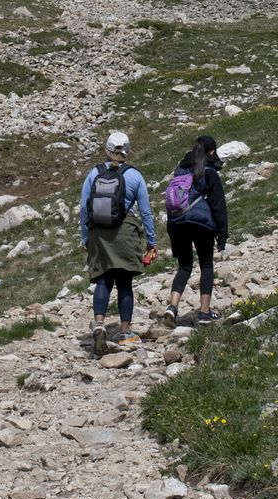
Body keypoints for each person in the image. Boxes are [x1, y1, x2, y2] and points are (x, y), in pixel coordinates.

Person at [79, 130, 156, 354]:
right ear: (127, 151)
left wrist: (85, 237)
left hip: (98, 234)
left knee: (102, 279)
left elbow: (84, 208)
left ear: (107, 150)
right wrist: (151, 241)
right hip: (125, 233)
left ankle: (100, 324)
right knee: (124, 282)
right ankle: (124, 333)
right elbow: (145, 211)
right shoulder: (134, 176)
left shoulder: (94, 173)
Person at [161, 135, 229, 327]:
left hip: (177, 223)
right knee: (206, 264)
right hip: (200, 224)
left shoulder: (180, 171)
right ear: (212, 152)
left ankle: (172, 307)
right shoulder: (209, 173)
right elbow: (218, 206)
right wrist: (222, 235)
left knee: (184, 266)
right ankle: (204, 312)